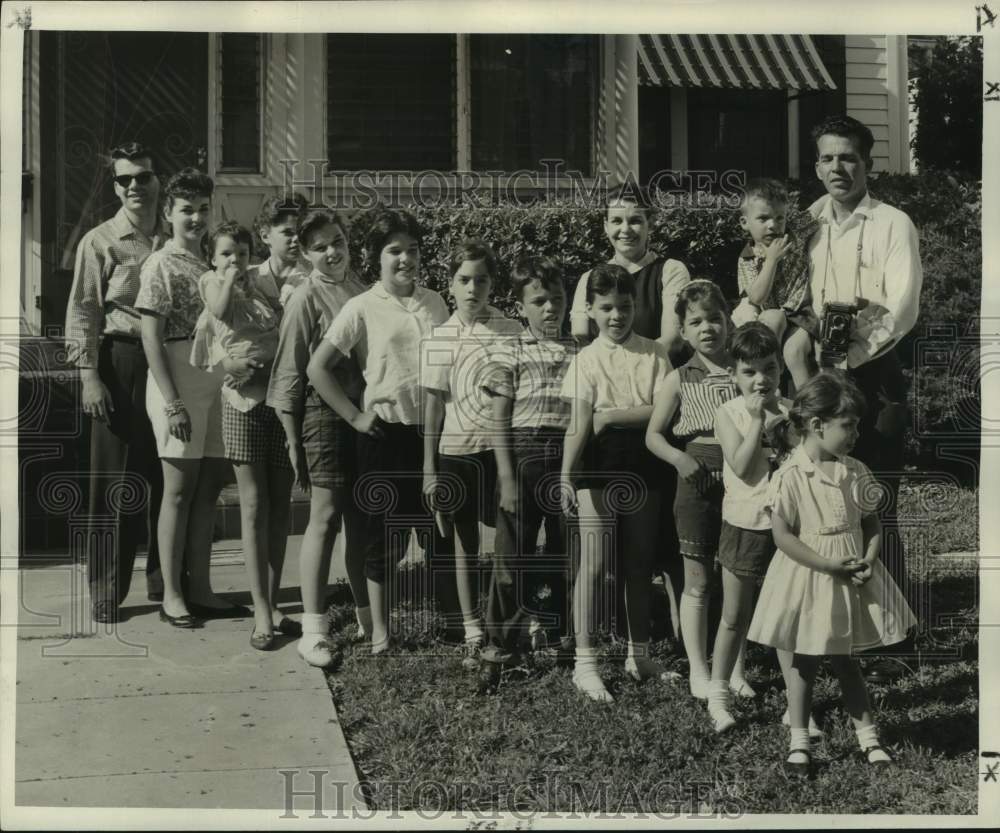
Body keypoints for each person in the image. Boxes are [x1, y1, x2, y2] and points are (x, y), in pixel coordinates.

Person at [747, 371, 916, 776]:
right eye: (849, 424)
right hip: (811, 574)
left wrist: (870, 559)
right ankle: (799, 743)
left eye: (857, 424)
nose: (856, 432)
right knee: (804, 662)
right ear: (818, 425)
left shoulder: (855, 470)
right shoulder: (790, 474)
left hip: (851, 570)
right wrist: (826, 565)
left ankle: (869, 739)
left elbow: (873, 523)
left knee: (847, 661)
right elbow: (783, 535)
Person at [307, 209, 456, 655]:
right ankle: (381, 635)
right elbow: (318, 368)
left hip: (431, 435)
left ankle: (452, 625)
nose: (405, 259)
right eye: (394, 251)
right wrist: (354, 417)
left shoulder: (435, 303)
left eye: (412, 250)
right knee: (380, 541)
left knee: (437, 534)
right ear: (376, 257)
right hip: (382, 438)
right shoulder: (361, 306)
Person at [806, 114, 923, 680]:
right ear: (816, 164)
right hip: (817, 382)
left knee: (876, 503)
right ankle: (833, 630)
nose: (837, 167)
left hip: (875, 376)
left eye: (847, 157)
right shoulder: (805, 224)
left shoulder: (893, 223)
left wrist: (849, 356)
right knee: (828, 503)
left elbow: (902, 308)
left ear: (867, 163)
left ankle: (892, 636)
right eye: (827, 157)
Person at [569, 184, 692, 647]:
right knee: (598, 549)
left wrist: (628, 383)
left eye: (636, 219)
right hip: (604, 424)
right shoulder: (592, 276)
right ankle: (598, 638)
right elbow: (583, 338)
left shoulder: (670, 269)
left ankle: (678, 638)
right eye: (617, 220)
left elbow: (671, 342)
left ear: (651, 223)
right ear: (604, 226)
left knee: (659, 543)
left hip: (654, 414)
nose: (627, 228)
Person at [136, 168, 247, 627]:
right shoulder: (160, 263)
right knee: (177, 493)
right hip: (176, 381)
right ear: (168, 214)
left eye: (203, 209)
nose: (196, 218)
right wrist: (172, 402)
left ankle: (201, 588)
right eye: (186, 210)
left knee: (207, 493)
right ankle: (172, 595)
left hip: (213, 380)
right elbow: (150, 338)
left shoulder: (210, 264)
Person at [560, 264, 676, 703]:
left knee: (639, 564)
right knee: (593, 563)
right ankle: (585, 663)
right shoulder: (585, 360)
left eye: (625, 307)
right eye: (606, 307)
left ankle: (638, 654)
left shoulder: (655, 353)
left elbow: (666, 410)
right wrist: (566, 474)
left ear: (637, 307)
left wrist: (614, 416)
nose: (616, 316)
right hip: (598, 464)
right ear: (590, 310)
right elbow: (579, 422)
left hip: (645, 460)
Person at [64, 141, 164, 623]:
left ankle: (169, 581)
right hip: (120, 362)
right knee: (115, 481)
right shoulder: (100, 240)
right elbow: (83, 311)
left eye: (142, 177)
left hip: (173, 361)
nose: (133, 187)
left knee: (169, 475)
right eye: (124, 179)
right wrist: (89, 376)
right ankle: (106, 587)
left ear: (158, 179)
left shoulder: (179, 235)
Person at [267, 208, 370, 667]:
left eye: (337, 241)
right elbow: (289, 372)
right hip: (322, 415)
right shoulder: (305, 296)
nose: (332, 252)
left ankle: (369, 617)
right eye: (320, 246)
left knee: (361, 518)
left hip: (365, 413)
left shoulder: (363, 288)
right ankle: (314, 628)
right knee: (324, 517)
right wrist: (292, 439)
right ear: (306, 255)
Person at [646, 280, 752, 700]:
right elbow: (653, 435)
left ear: (728, 321)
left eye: (714, 318)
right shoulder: (678, 378)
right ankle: (698, 669)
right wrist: (680, 459)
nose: (707, 328)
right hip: (696, 480)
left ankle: (736, 670)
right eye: (696, 322)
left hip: (741, 480)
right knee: (699, 581)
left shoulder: (745, 372)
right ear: (683, 331)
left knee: (735, 579)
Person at [191, 220, 294, 649]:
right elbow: (215, 314)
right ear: (212, 258)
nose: (236, 259)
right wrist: (230, 277)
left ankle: (272, 601)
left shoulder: (262, 286)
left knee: (280, 503)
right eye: (227, 253)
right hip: (243, 405)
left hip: (280, 399)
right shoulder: (212, 283)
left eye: (243, 253)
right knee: (253, 505)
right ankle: (260, 614)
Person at [477, 256, 577, 693]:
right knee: (510, 558)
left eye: (557, 298)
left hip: (568, 456)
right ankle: (499, 647)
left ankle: (561, 639)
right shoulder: (510, 348)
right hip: (522, 454)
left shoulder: (582, 350)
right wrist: (505, 478)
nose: (550, 308)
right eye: (539, 301)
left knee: (563, 554)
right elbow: (498, 417)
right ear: (521, 307)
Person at [421, 240, 523, 663]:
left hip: (499, 451)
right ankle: (471, 627)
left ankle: (511, 622)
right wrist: (428, 468)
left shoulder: (511, 330)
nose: (472, 288)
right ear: (449, 284)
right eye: (463, 279)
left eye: (481, 280)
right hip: (456, 450)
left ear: (492, 283)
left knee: (507, 539)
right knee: (464, 542)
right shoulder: (440, 337)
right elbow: (432, 406)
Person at [705, 323, 791, 732]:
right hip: (744, 523)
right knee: (734, 616)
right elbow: (740, 465)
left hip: (787, 528)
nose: (761, 380)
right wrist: (758, 421)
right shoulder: (729, 413)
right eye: (750, 371)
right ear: (734, 375)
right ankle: (718, 695)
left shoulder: (792, 412)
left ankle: (797, 703)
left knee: (790, 616)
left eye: (769, 369)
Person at [732, 179, 820, 390]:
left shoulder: (794, 235)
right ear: (745, 223)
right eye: (763, 218)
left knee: (794, 353)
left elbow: (819, 208)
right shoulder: (746, 259)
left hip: (800, 314)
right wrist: (771, 261)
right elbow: (756, 297)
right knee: (772, 319)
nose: (773, 225)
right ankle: (766, 393)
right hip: (770, 316)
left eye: (779, 217)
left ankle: (807, 409)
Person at [250, 193, 311, 307]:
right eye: (288, 233)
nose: (297, 238)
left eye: (301, 232)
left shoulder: (311, 277)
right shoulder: (252, 278)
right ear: (265, 236)